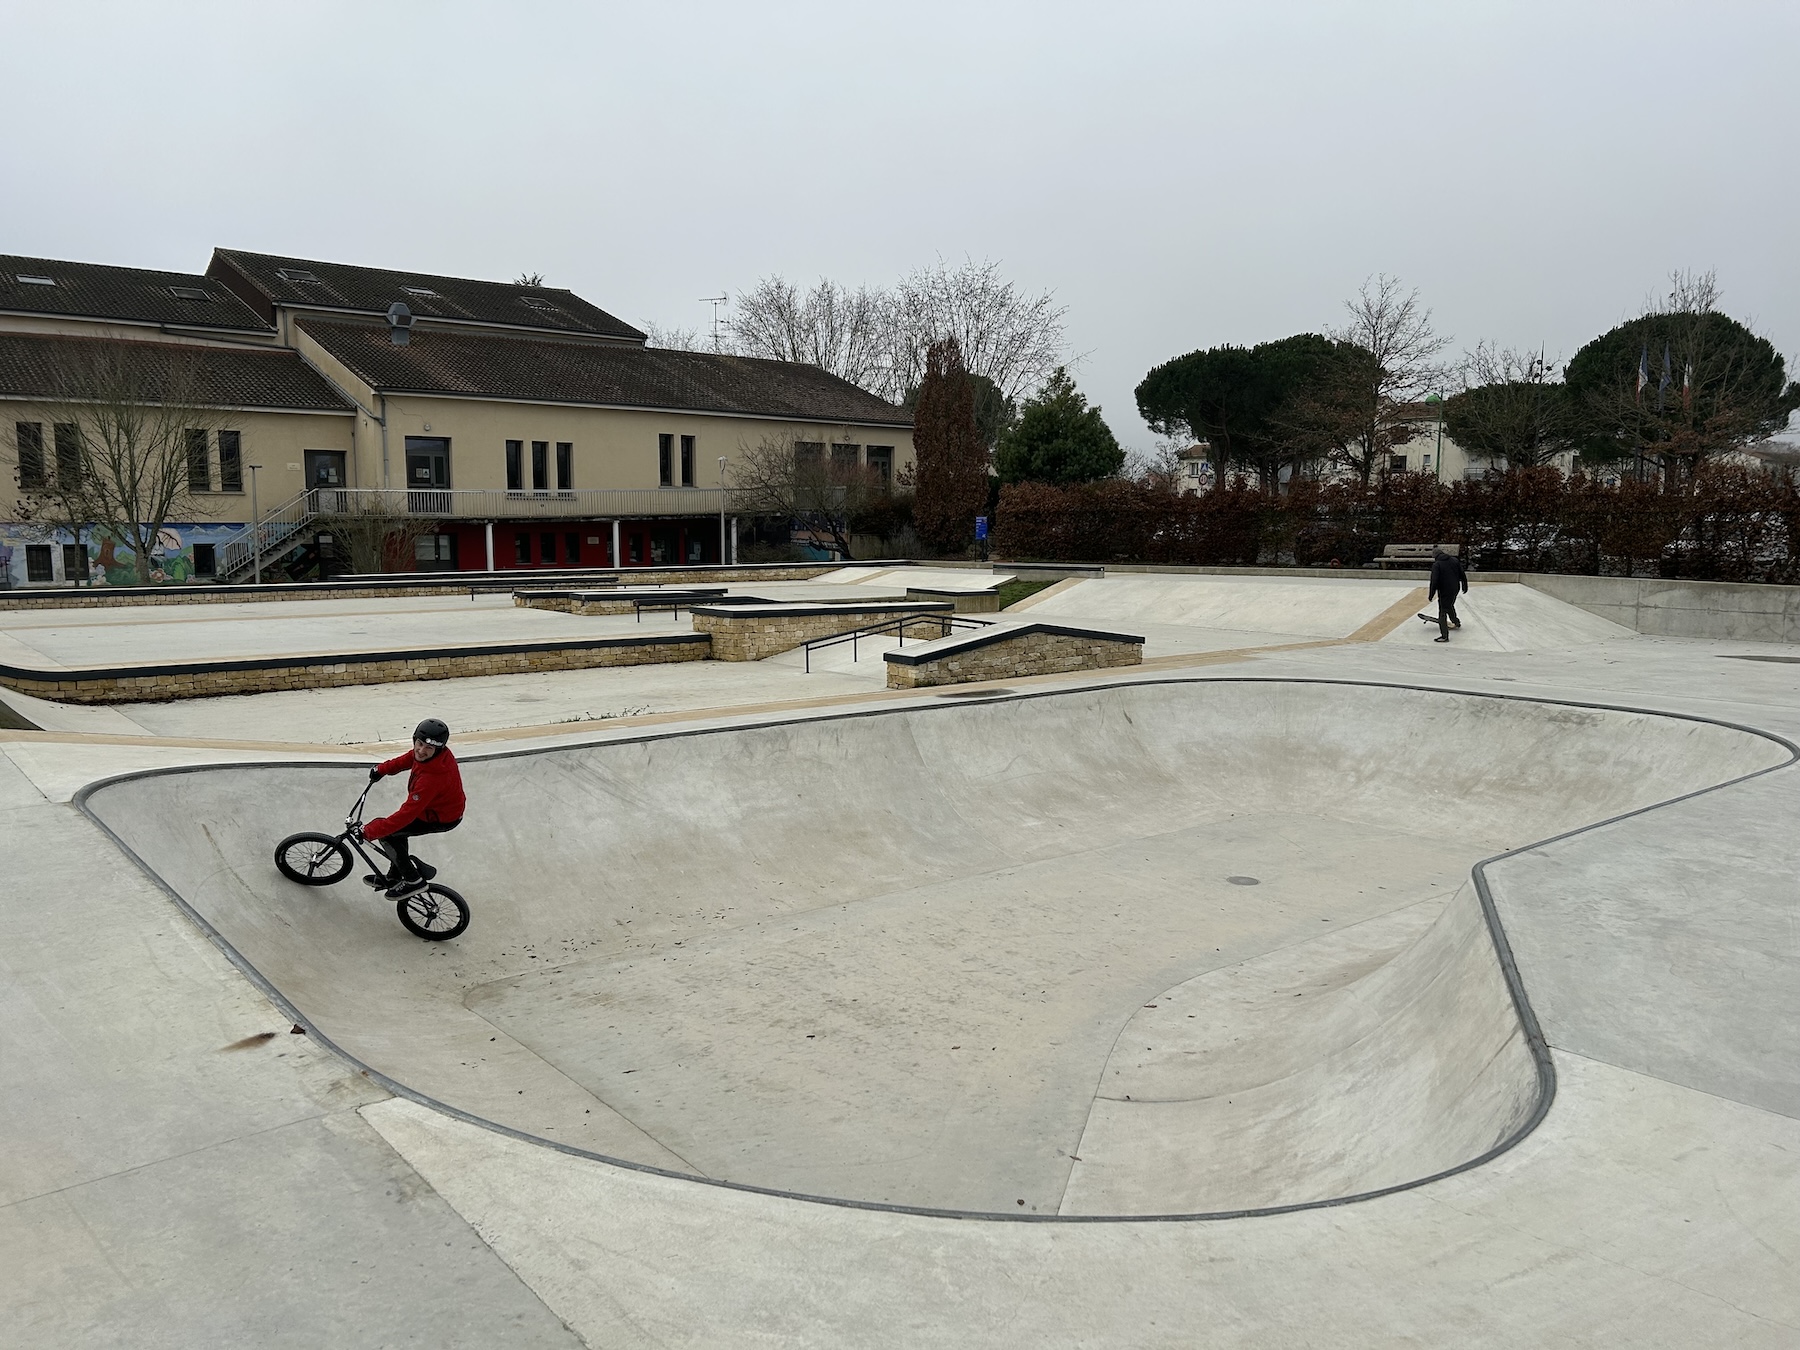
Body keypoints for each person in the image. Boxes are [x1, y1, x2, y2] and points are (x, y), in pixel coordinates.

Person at [359, 718, 465, 898]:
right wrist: (382, 769)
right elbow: (408, 759)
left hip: (440, 817)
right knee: (397, 833)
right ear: (414, 740)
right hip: (438, 809)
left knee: (387, 834)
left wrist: (369, 831)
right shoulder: (435, 756)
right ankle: (394, 877)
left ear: (438, 749)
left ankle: (413, 881)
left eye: (428, 748)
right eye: (419, 744)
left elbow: (406, 815)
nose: (421, 751)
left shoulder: (431, 780)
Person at [1428, 547, 1468, 643]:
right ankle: (1456, 622)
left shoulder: (1437, 564)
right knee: (1449, 605)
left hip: (1444, 590)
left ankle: (1444, 636)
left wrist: (1431, 594)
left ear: (1435, 556)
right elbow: (1462, 573)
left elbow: (1434, 581)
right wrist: (1464, 585)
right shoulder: (1454, 560)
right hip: (1455, 588)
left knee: (1442, 611)